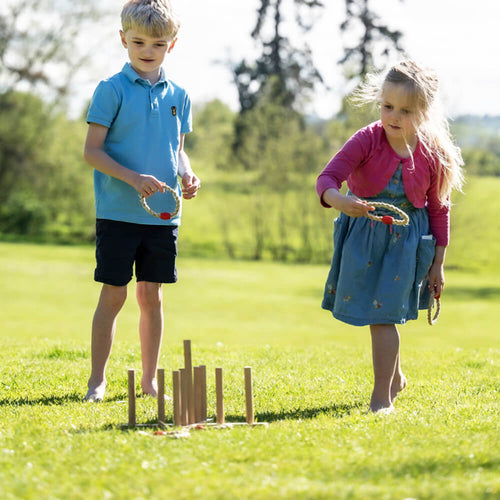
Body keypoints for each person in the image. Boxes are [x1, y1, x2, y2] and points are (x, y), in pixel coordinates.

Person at [316, 60, 464, 413]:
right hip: (365, 237)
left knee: (384, 316)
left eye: (405, 111)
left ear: (424, 112)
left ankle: (381, 398)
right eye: (387, 107)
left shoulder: (432, 153)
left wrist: (438, 264)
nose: (394, 117)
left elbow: (439, 209)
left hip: (407, 245)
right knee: (376, 312)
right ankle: (394, 378)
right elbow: (327, 179)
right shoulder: (368, 139)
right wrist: (341, 201)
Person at [83, 0, 200, 402]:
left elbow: (178, 150)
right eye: (138, 42)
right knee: (114, 293)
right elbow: (92, 152)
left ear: (172, 45)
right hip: (118, 212)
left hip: (164, 216)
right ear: (123, 40)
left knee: (152, 295)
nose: (147, 50)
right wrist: (133, 179)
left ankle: (149, 382)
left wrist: (187, 173)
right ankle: (97, 381)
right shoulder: (110, 90)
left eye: (157, 43)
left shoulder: (180, 95)